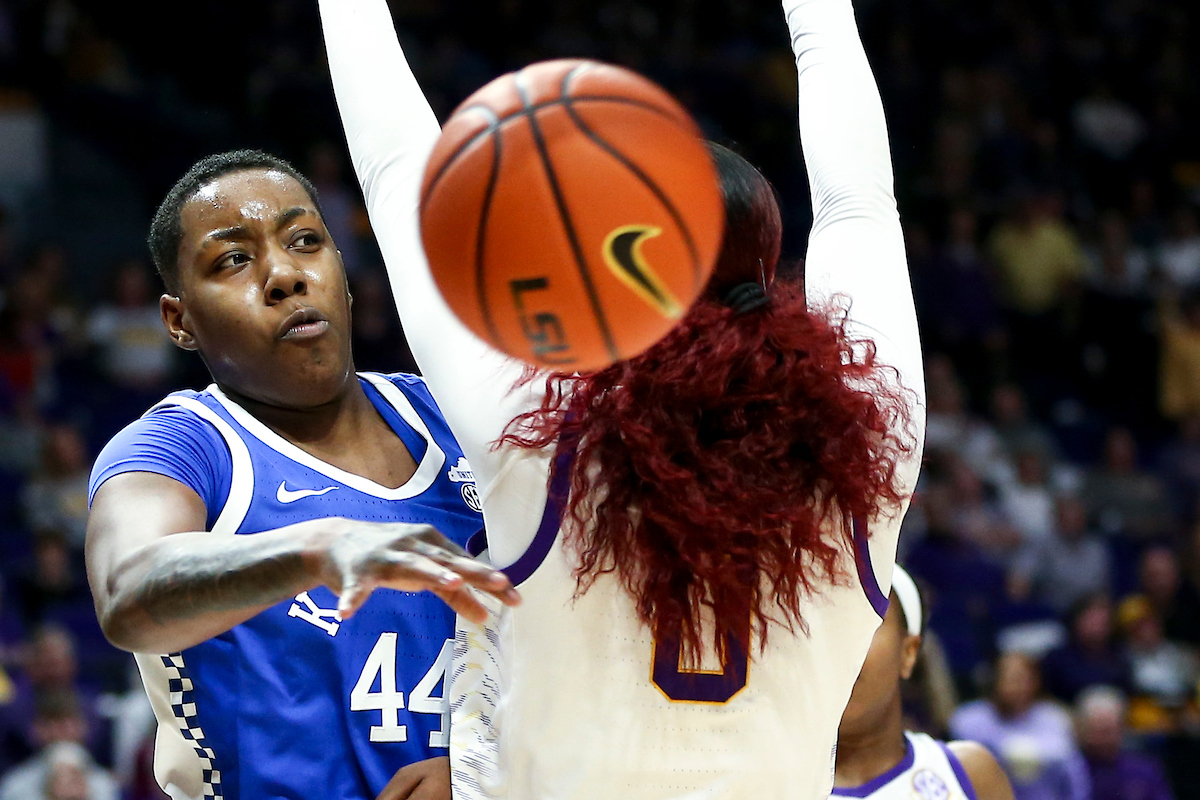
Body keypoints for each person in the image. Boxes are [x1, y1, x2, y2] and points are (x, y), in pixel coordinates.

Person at [320, 0, 925, 796]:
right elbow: (859, 203)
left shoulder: (534, 434)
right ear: (767, 262)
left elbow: (401, 171)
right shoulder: (870, 440)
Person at [84, 149, 519, 800]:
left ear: (341, 273)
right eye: (233, 260)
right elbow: (130, 591)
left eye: (306, 241)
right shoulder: (180, 446)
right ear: (180, 321)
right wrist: (317, 548)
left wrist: (486, 769)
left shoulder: (458, 417)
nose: (285, 274)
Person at [834, 565, 1013, 799]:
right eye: (826, 627)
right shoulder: (774, 783)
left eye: (863, 621)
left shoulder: (970, 772)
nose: (838, 645)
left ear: (909, 652)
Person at [950, 652, 1091, 800]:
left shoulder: (1055, 719)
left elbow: (1074, 775)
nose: (1015, 686)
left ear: (1035, 682)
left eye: (1021, 679)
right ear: (993, 680)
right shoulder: (967, 721)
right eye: (1008, 678)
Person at [1075, 685, 1175, 800]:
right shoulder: (1069, 770)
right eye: (1097, 731)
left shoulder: (1144, 770)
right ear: (1080, 730)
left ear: (1122, 728)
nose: (1104, 739)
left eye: (1109, 730)